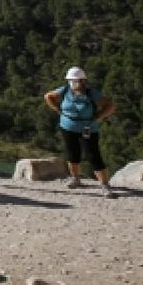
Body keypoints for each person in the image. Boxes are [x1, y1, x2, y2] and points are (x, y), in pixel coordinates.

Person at [44, 66, 117, 198]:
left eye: (78, 80)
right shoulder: (65, 90)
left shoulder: (91, 93)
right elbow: (48, 96)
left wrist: (98, 117)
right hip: (67, 126)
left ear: (83, 81)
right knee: (72, 153)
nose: (75, 83)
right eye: (73, 80)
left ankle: (105, 185)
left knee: (93, 155)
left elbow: (110, 105)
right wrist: (57, 109)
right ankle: (75, 178)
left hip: (88, 127)